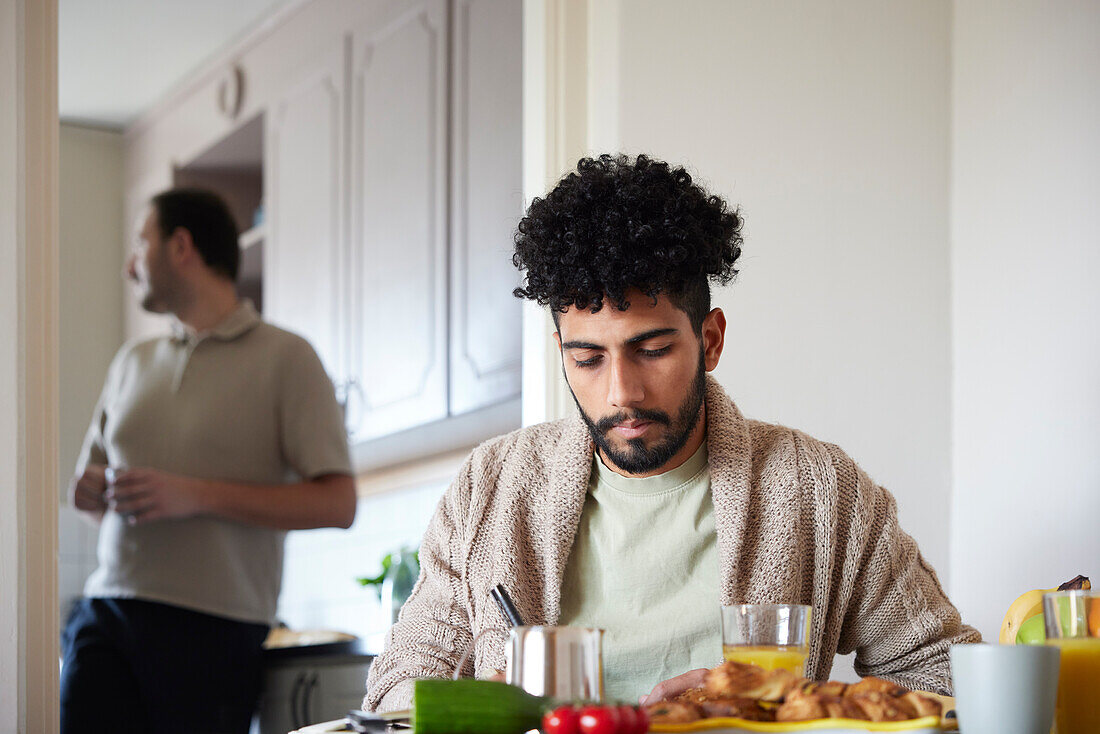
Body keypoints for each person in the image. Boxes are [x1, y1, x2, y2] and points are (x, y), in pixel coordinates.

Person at [363, 154, 980, 712]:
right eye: (587, 359)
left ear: (709, 340)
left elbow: (945, 675)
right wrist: (482, 704)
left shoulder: (819, 491)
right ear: (560, 351)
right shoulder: (490, 489)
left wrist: (783, 706)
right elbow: (395, 688)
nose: (621, 393)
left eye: (652, 349)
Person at [61, 188, 357, 734]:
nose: (130, 266)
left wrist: (194, 494)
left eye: (140, 244)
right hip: (103, 615)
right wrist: (91, 493)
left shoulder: (288, 357)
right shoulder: (131, 361)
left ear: (181, 246)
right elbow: (92, 496)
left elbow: (339, 503)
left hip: (213, 633)